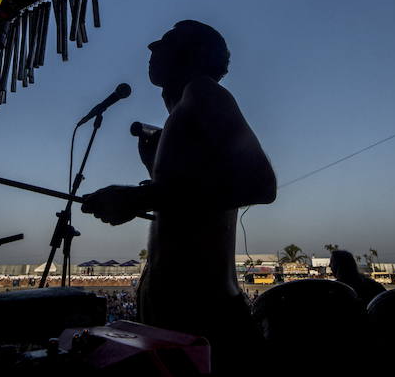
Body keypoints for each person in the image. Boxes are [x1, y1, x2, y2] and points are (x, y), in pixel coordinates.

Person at [81, 20, 276, 373]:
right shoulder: (182, 113)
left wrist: (138, 198)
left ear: (193, 55)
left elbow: (260, 184)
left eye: (165, 43)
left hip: (203, 314)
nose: (151, 50)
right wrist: (152, 174)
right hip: (177, 313)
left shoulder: (204, 92)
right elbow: (188, 206)